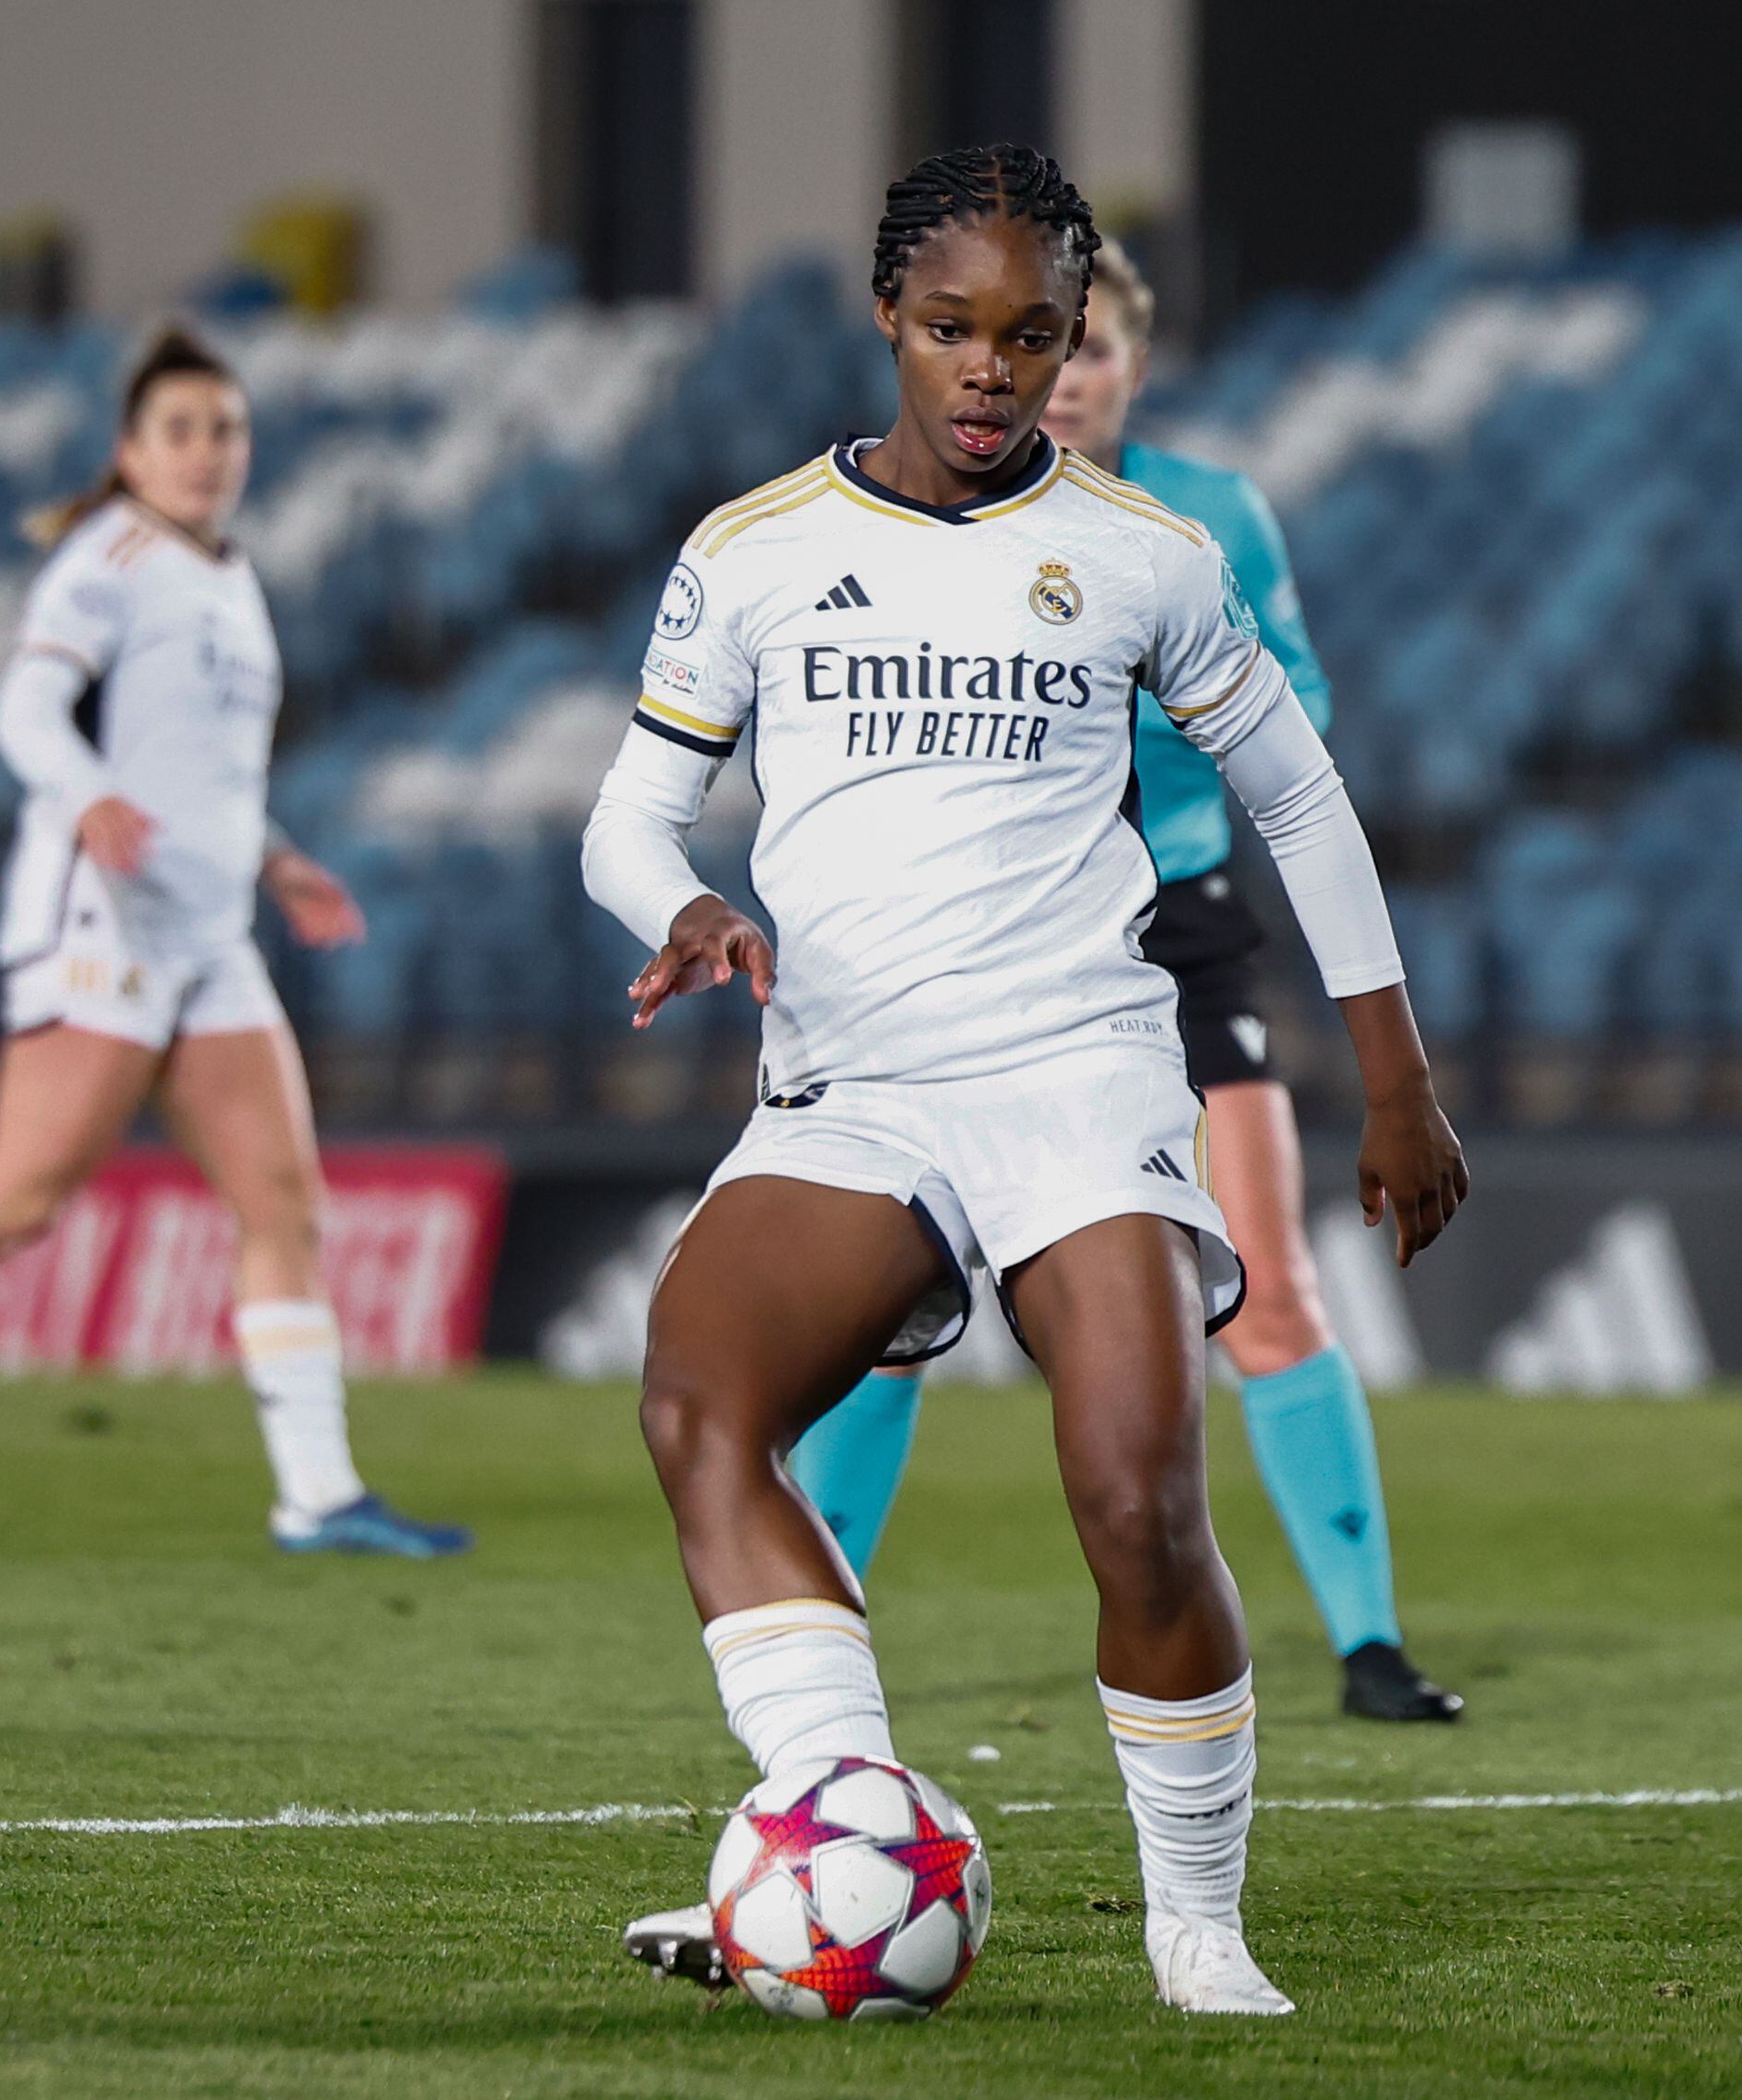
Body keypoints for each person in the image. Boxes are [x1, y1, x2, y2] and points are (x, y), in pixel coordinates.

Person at [589, 145, 1463, 2017]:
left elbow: (1297, 792)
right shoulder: (752, 551)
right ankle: (835, 1817)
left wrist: (1394, 1075)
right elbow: (631, 807)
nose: (993, 369)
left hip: (1075, 1067)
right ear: (889, 321)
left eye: (1032, 333)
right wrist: (680, 897)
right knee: (695, 1401)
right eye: (952, 329)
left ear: (1075, 337)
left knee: (1137, 1492)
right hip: (852, 1082)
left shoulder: (1145, 553)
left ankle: (1197, 1922)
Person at [780, 243, 1461, 1725]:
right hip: (964, 928)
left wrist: (1146, 695)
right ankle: (815, 1639)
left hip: (1173, 915)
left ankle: (1368, 1643)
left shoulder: (1200, 522)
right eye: (1036, 346)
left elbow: (1301, 712)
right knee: (890, 1303)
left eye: (1084, 350)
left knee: (1266, 1282)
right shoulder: (914, 521)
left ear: (1129, 368)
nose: (1059, 375)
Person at [0, 325, 466, 1562]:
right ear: (130, 452)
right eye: (180, 430)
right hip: (101, 917)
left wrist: (275, 856)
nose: (206, 451)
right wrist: (91, 800)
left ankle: (317, 1493)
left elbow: (204, 770)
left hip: (207, 930)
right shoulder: (108, 559)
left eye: (225, 428)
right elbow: (21, 707)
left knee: (282, 1198)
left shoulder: (229, 575)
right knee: (19, 1199)